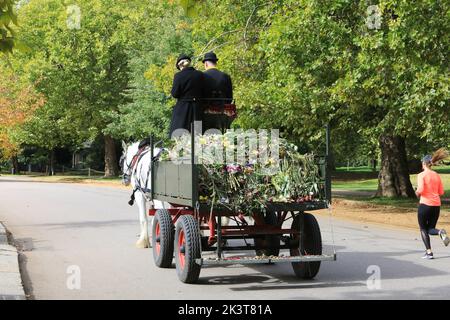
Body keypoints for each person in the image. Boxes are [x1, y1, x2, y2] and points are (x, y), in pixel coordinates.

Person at [416, 149, 450, 259]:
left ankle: (429, 252)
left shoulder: (421, 175)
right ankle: (440, 232)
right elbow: (441, 192)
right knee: (431, 229)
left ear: (424, 163)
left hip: (425, 204)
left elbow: (420, 189)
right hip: (436, 205)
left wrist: (416, 192)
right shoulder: (436, 175)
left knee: (423, 229)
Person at [169, 54, 204, 138]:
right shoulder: (200, 74)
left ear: (180, 65)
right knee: (197, 135)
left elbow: (175, 94)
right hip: (197, 108)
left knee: (180, 135)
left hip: (183, 109)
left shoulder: (178, 76)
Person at [201, 52, 235, 132]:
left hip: (206, 111)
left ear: (206, 64)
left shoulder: (202, 76)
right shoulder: (226, 76)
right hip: (223, 110)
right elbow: (230, 97)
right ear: (216, 63)